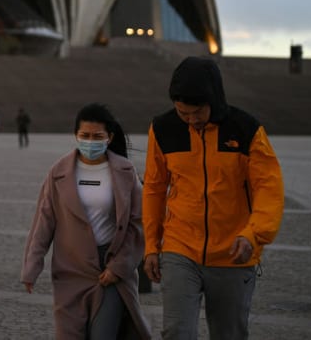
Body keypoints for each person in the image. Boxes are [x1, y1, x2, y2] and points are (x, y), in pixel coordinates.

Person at [142, 56, 284, 339]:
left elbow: (269, 188)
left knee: (228, 333)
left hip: (234, 252)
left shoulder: (246, 130)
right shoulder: (162, 129)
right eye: (183, 113)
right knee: (176, 331)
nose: (191, 120)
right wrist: (150, 246)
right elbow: (154, 189)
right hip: (180, 248)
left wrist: (253, 234)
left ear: (215, 101)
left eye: (197, 113)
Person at [21, 103, 151, 339]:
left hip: (109, 271)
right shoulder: (58, 172)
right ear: (76, 135)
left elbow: (138, 224)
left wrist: (119, 266)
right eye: (85, 136)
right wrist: (31, 267)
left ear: (109, 137)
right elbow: (44, 222)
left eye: (97, 136)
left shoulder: (125, 171)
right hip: (71, 269)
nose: (90, 141)